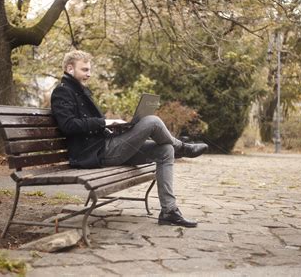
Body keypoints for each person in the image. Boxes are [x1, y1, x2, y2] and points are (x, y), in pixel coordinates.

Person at [51, 50, 208, 227]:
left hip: (106, 145)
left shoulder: (80, 91)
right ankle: (183, 148)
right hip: (94, 154)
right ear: (70, 68)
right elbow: (69, 126)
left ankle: (169, 211)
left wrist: (115, 128)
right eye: (85, 70)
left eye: (89, 70)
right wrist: (104, 122)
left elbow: (90, 125)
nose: (89, 74)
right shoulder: (62, 92)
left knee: (165, 150)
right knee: (152, 121)